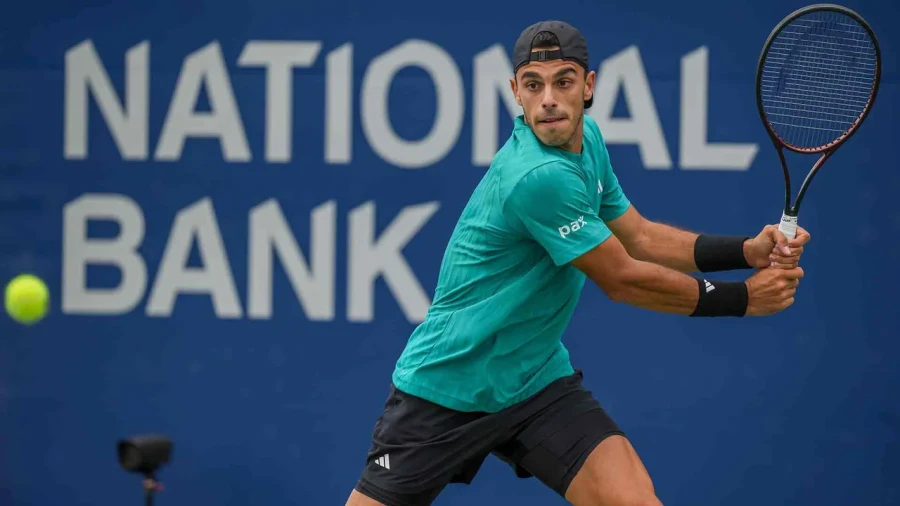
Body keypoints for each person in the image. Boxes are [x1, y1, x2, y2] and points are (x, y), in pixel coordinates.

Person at [344, 19, 810, 506]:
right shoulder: (538, 177)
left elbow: (640, 236)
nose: (548, 98)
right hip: (449, 385)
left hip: (534, 379)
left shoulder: (587, 141)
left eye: (563, 81)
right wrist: (744, 299)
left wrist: (744, 251)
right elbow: (623, 279)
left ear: (588, 87)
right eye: (533, 84)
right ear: (516, 94)